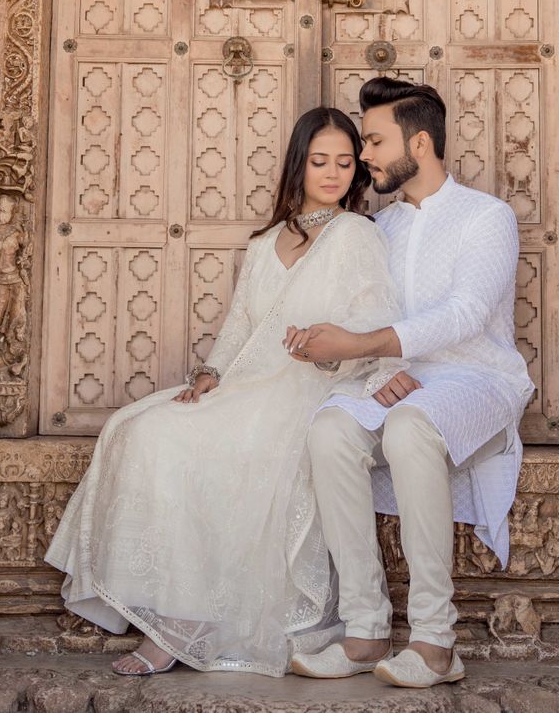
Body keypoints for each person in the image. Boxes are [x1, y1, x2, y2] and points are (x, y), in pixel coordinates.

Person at [45, 107, 402, 678]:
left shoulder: (358, 234)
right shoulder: (265, 243)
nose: (332, 173)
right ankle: (172, 610)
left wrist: (376, 375)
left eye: (343, 162)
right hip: (251, 382)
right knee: (139, 427)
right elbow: (240, 322)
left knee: (198, 445)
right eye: (319, 161)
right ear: (298, 166)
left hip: (312, 390)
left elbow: (375, 319)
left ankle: (185, 627)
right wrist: (210, 374)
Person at [286, 77, 534, 688]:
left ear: (419, 143)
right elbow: (373, 319)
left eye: (373, 141)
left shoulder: (487, 216)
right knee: (332, 428)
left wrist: (368, 347)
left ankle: (434, 641)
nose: (363, 156)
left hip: (480, 377)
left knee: (409, 426)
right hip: (401, 375)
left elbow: (466, 315)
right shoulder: (382, 228)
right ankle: (365, 631)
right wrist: (363, 360)